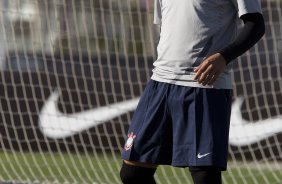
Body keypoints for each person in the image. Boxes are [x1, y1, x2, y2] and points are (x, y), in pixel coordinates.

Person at [120, 0, 265, 183]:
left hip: (204, 86)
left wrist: (224, 56)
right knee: (133, 173)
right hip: (160, 82)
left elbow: (256, 25)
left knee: (204, 176)